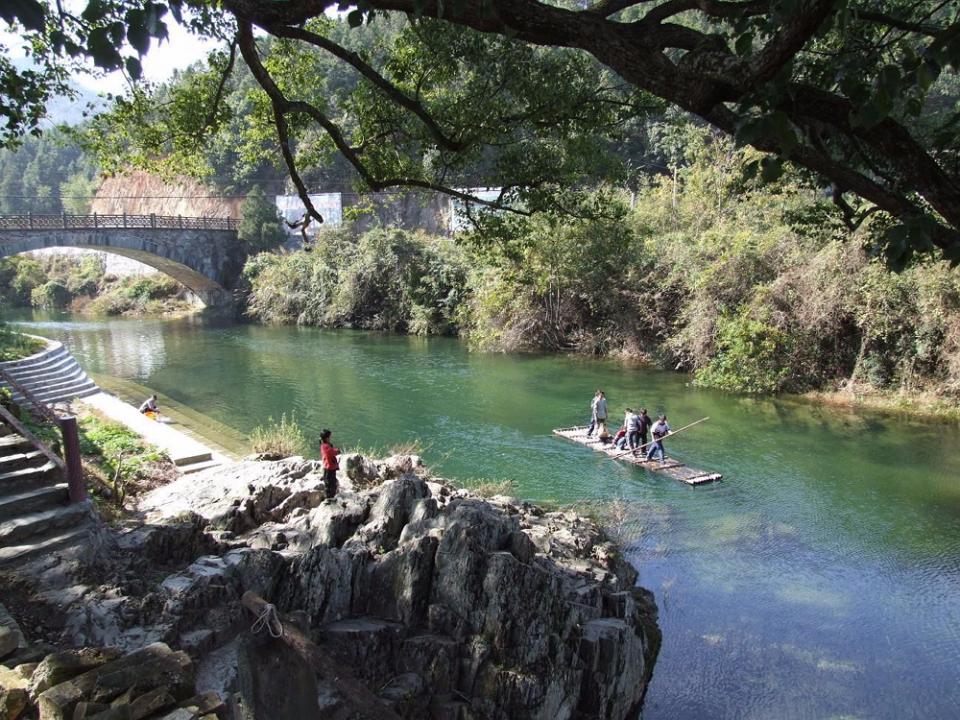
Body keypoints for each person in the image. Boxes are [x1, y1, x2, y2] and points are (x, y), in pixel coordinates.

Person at [319, 429, 339, 498]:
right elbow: (332, 452)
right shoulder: (326, 447)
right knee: (330, 483)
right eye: (330, 437)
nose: (330, 438)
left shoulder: (323, 445)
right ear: (327, 438)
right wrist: (337, 451)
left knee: (330, 482)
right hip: (329, 468)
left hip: (328, 467)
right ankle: (329, 498)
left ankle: (330, 496)